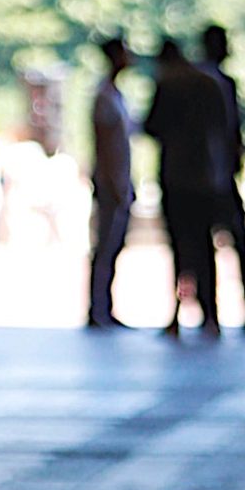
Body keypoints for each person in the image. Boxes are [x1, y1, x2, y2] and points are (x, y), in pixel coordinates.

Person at [143, 36, 229, 338]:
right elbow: (226, 129)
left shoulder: (169, 85)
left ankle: (176, 314)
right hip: (205, 178)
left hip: (177, 178)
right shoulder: (207, 84)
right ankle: (211, 314)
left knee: (180, 248)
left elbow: (150, 126)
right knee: (206, 249)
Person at [198, 25, 245, 330]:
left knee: (220, 244)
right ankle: (218, 311)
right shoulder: (208, 84)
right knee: (225, 243)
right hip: (213, 177)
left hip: (215, 176)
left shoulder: (219, 83)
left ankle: (218, 312)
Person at [87, 35, 136, 329]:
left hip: (118, 182)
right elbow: (106, 146)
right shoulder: (105, 97)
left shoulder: (115, 96)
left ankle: (105, 306)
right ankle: (97, 308)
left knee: (113, 247)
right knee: (105, 247)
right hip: (110, 184)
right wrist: (114, 184)